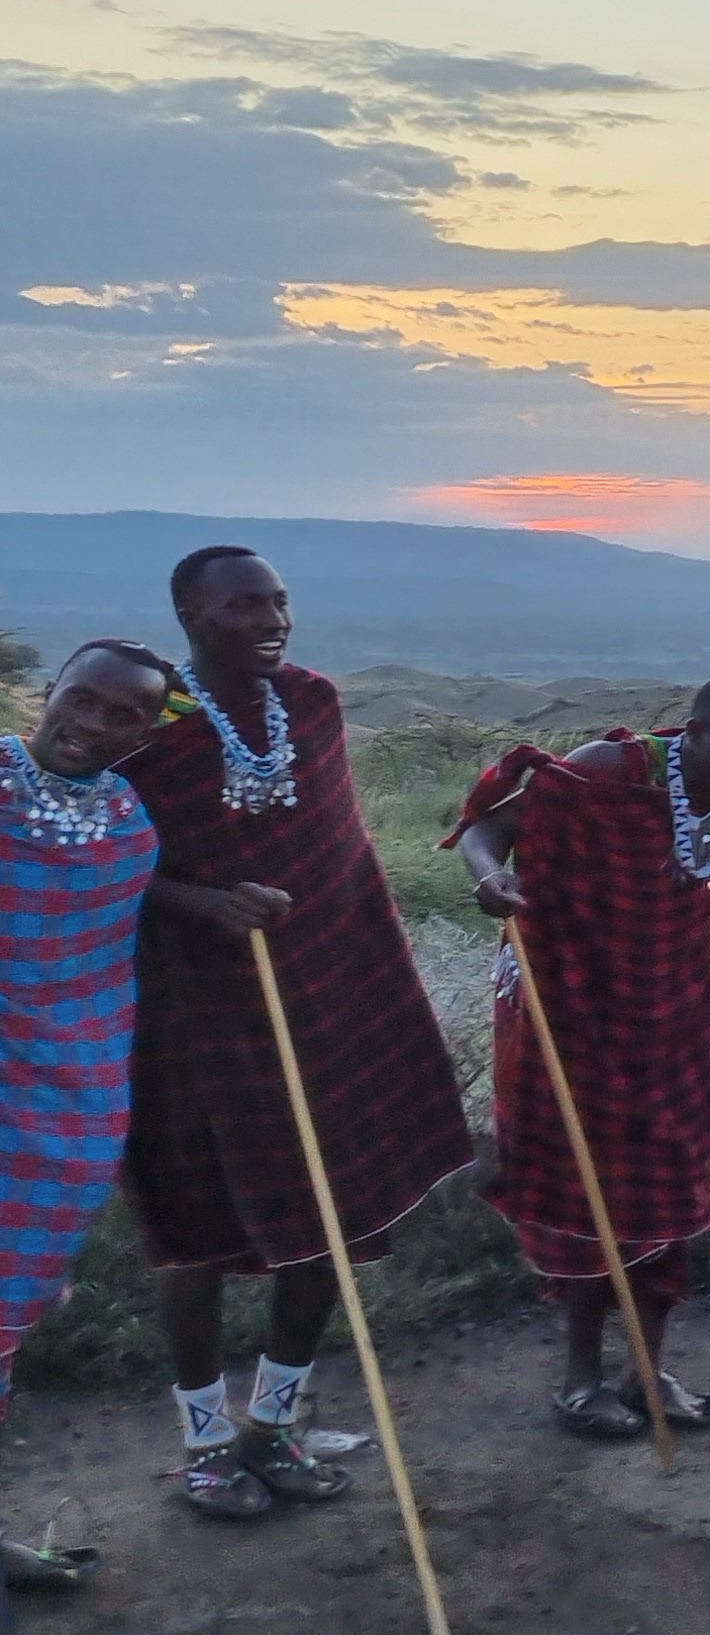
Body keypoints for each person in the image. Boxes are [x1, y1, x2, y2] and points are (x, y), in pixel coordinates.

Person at [116, 548, 476, 1518]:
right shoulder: (149, 720)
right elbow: (93, 849)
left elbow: (339, 854)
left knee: (328, 1213)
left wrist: (353, 973)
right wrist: (197, 899)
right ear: (190, 615)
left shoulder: (310, 703)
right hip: (188, 1017)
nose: (273, 619)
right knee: (191, 1231)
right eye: (245, 605)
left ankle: (273, 1425)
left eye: (278, 601)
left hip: (319, 1002)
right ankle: (204, 1443)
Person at [449, 673, 710, 1442]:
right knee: (585, 1197)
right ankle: (581, 1379)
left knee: (671, 1191)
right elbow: (485, 831)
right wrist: (493, 877)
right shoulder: (609, 770)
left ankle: (646, 1373)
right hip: (573, 1008)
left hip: (683, 1015)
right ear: (692, 732)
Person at [0, 640, 174, 1591]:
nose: (93, 724)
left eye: (123, 715)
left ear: (145, 732)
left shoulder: (126, 819)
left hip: (64, 1108)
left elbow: (98, 963)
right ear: (49, 692)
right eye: (81, 699)